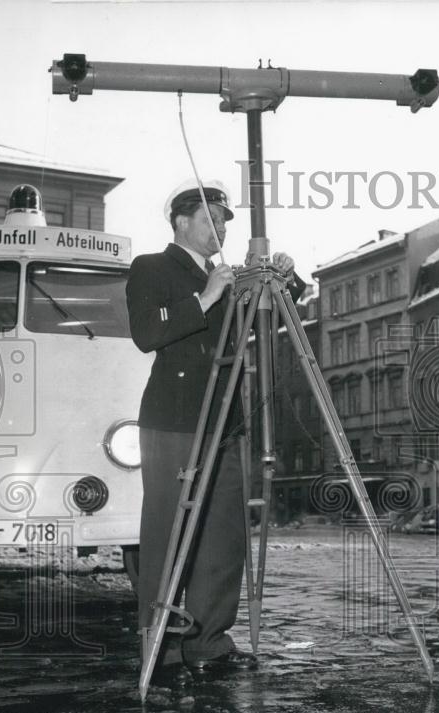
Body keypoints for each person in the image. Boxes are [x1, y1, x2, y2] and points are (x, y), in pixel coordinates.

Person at [126, 178, 306, 679]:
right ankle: (157, 646)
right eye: (211, 219)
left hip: (225, 422)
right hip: (177, 421)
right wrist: (207, 296)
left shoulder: (229, 277)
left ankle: (209, 643)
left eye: (225, 219)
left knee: (223, 534)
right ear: (182, 221)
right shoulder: (153, 268)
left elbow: (273, 327)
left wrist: (285, 281)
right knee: (169, 531)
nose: (222, 227)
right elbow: (147, 332)